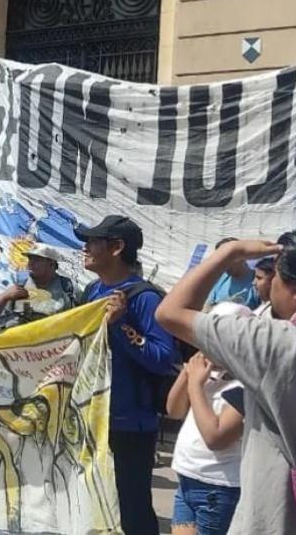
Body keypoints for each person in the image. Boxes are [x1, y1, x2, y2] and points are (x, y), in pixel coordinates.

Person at [155, 229, 296, 533]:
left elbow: (170, 312)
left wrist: (229, 253)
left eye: (276, 274)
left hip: (280, 521)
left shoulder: (276, 344)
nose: (269, 283)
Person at [78, 215, 178, 535]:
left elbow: (163, 359)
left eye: (93, 241)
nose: (86, 247)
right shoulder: (91, 290)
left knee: (132, 508)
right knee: (93, 502)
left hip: (131, 423)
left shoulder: (146, 298)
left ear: (117, 248)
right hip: (93, 417)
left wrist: (121, 324)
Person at [164, 303, 248, 535]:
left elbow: (216, 436)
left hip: (218, 488)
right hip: (187, 479)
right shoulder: (208, 372)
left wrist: (195, 385)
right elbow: (174, 410)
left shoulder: (245, 382)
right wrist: (188, 373)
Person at [3, 244, 79, 327]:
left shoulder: (68, 288)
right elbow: (3, 319)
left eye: (36, 260)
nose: (30, 263)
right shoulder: (19, 285)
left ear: (51, 264)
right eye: (30, 259)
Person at [205, 238, 259, 309]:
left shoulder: (257, 281)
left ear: (242, 256)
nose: (224, 264)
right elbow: (208, 307)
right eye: (221, 260)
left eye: (228, 258)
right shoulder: (219, 279)